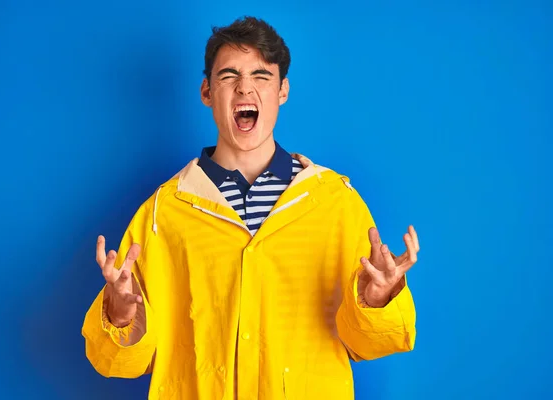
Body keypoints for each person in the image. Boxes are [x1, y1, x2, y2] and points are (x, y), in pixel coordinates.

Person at [82, 16, 419, 400]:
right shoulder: (162, 214)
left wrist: (377, 300)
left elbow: (371, 344)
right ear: (207, 92)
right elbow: (115, 362)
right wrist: (121, 315)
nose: (245, 87)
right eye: (228, 76)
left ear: (283, 91)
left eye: (261, 76)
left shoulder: (335, 203)